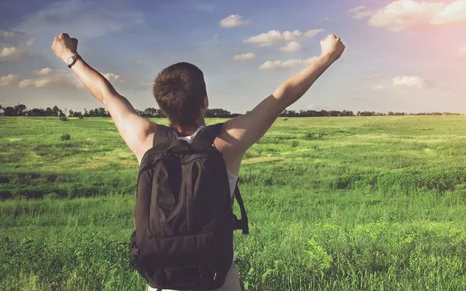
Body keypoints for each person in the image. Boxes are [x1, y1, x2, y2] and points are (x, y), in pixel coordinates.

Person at [51, 32, 345, 290]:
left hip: (162, 281)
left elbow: (106, 94)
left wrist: (69, 56)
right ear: (205, 100)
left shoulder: (144, 139)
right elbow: (281, 97)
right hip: (218, 279)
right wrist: (326, 57)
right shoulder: (225, 143)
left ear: (163, 106)